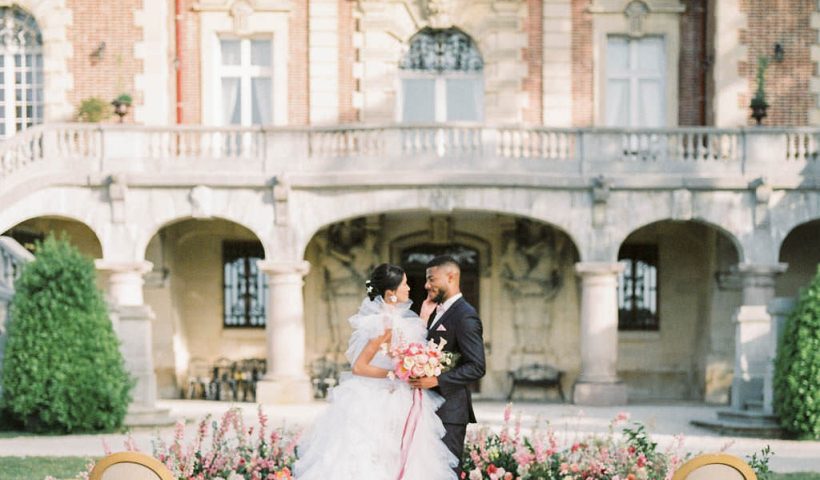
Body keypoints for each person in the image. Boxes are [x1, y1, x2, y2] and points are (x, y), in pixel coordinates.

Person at [295, 263, 458, 480]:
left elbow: (403, 346)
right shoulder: (384, 323)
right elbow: (359, 366)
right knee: (377, 454)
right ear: (391, 293)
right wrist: (397, 373)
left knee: (401, 454)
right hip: (381, 396)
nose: (409, 288)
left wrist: (424, 318)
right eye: (405, 284)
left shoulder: (397, 319)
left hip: (399, 394)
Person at [410, 255, 486, 478]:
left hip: (450, 413)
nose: (426, 285)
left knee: (446, 474)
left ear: (451, 277)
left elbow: (477, 366)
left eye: (431, 279)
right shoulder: (435, 310)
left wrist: (436, 380)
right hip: (429, 410)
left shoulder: (465, 315)